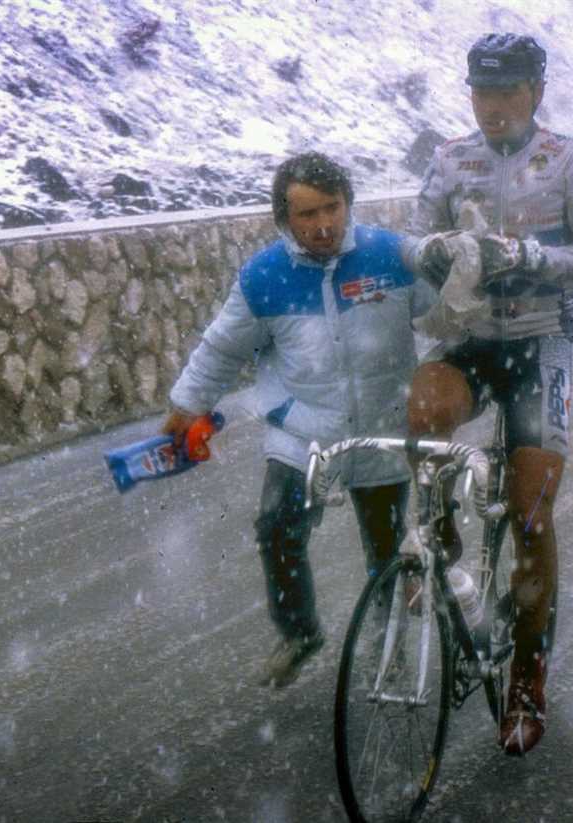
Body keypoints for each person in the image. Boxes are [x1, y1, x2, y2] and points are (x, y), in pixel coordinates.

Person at [407, 33, 573, 755]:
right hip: (469, 336)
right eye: (481, 92)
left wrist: (531, 256)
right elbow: (414, 241)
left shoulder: (571, 159)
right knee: (423, 413)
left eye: (507, 93)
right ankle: (438, 541)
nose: (493, 107)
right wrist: (436, 251)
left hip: (539, 341)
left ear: (536, 92)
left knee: (531, 513)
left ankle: (529, 670)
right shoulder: (450, 158)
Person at [163, 151, 435, 688]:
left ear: (349, 204)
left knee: (384, 551)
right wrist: (186, 406)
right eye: (306, 214)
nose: (323, 225)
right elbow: (221, 349)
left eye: (331, 208)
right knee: (277, 525)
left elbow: (447, 316)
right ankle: (300, 631)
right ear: (284, 218)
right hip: (303, 431)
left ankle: (387, 644)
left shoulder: (392, 256)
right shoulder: (264, 277)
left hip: (384, 424)